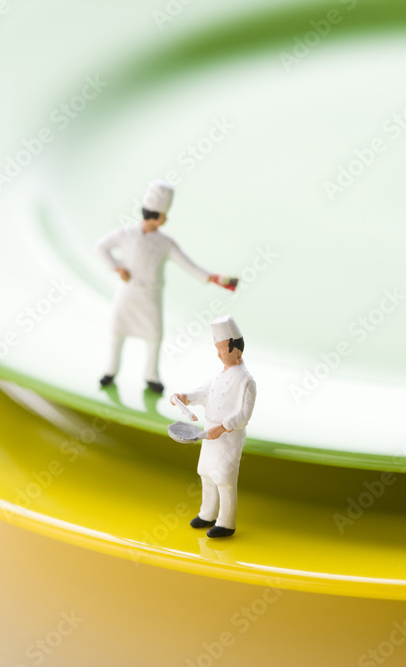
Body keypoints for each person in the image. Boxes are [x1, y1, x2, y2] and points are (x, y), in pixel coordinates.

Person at [95, 180, 233, 393]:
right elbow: (101, 247)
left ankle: (151, 375)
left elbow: (188, 265)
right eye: (163, 215)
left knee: (154, 335)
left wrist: (213, 278)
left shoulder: (166, 243)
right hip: (127, 292)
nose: (165, 219)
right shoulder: (126, 233)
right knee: (117, 331)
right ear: (155, 216)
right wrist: (117, 267)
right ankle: (110, 370)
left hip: (150, 295)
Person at [172, 315, 256, 538]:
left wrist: (222, 428)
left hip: (228, 438)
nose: (218, 354)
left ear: (235, 350)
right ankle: (207, 513)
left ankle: (226, 522)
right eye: (216, 349)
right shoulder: (219, 373)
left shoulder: (247, 381)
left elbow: (244, 415)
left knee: (224, 479)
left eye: (221, 349)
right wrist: (185, 397)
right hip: (208, 433)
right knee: (206, 473)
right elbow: (204, 393)